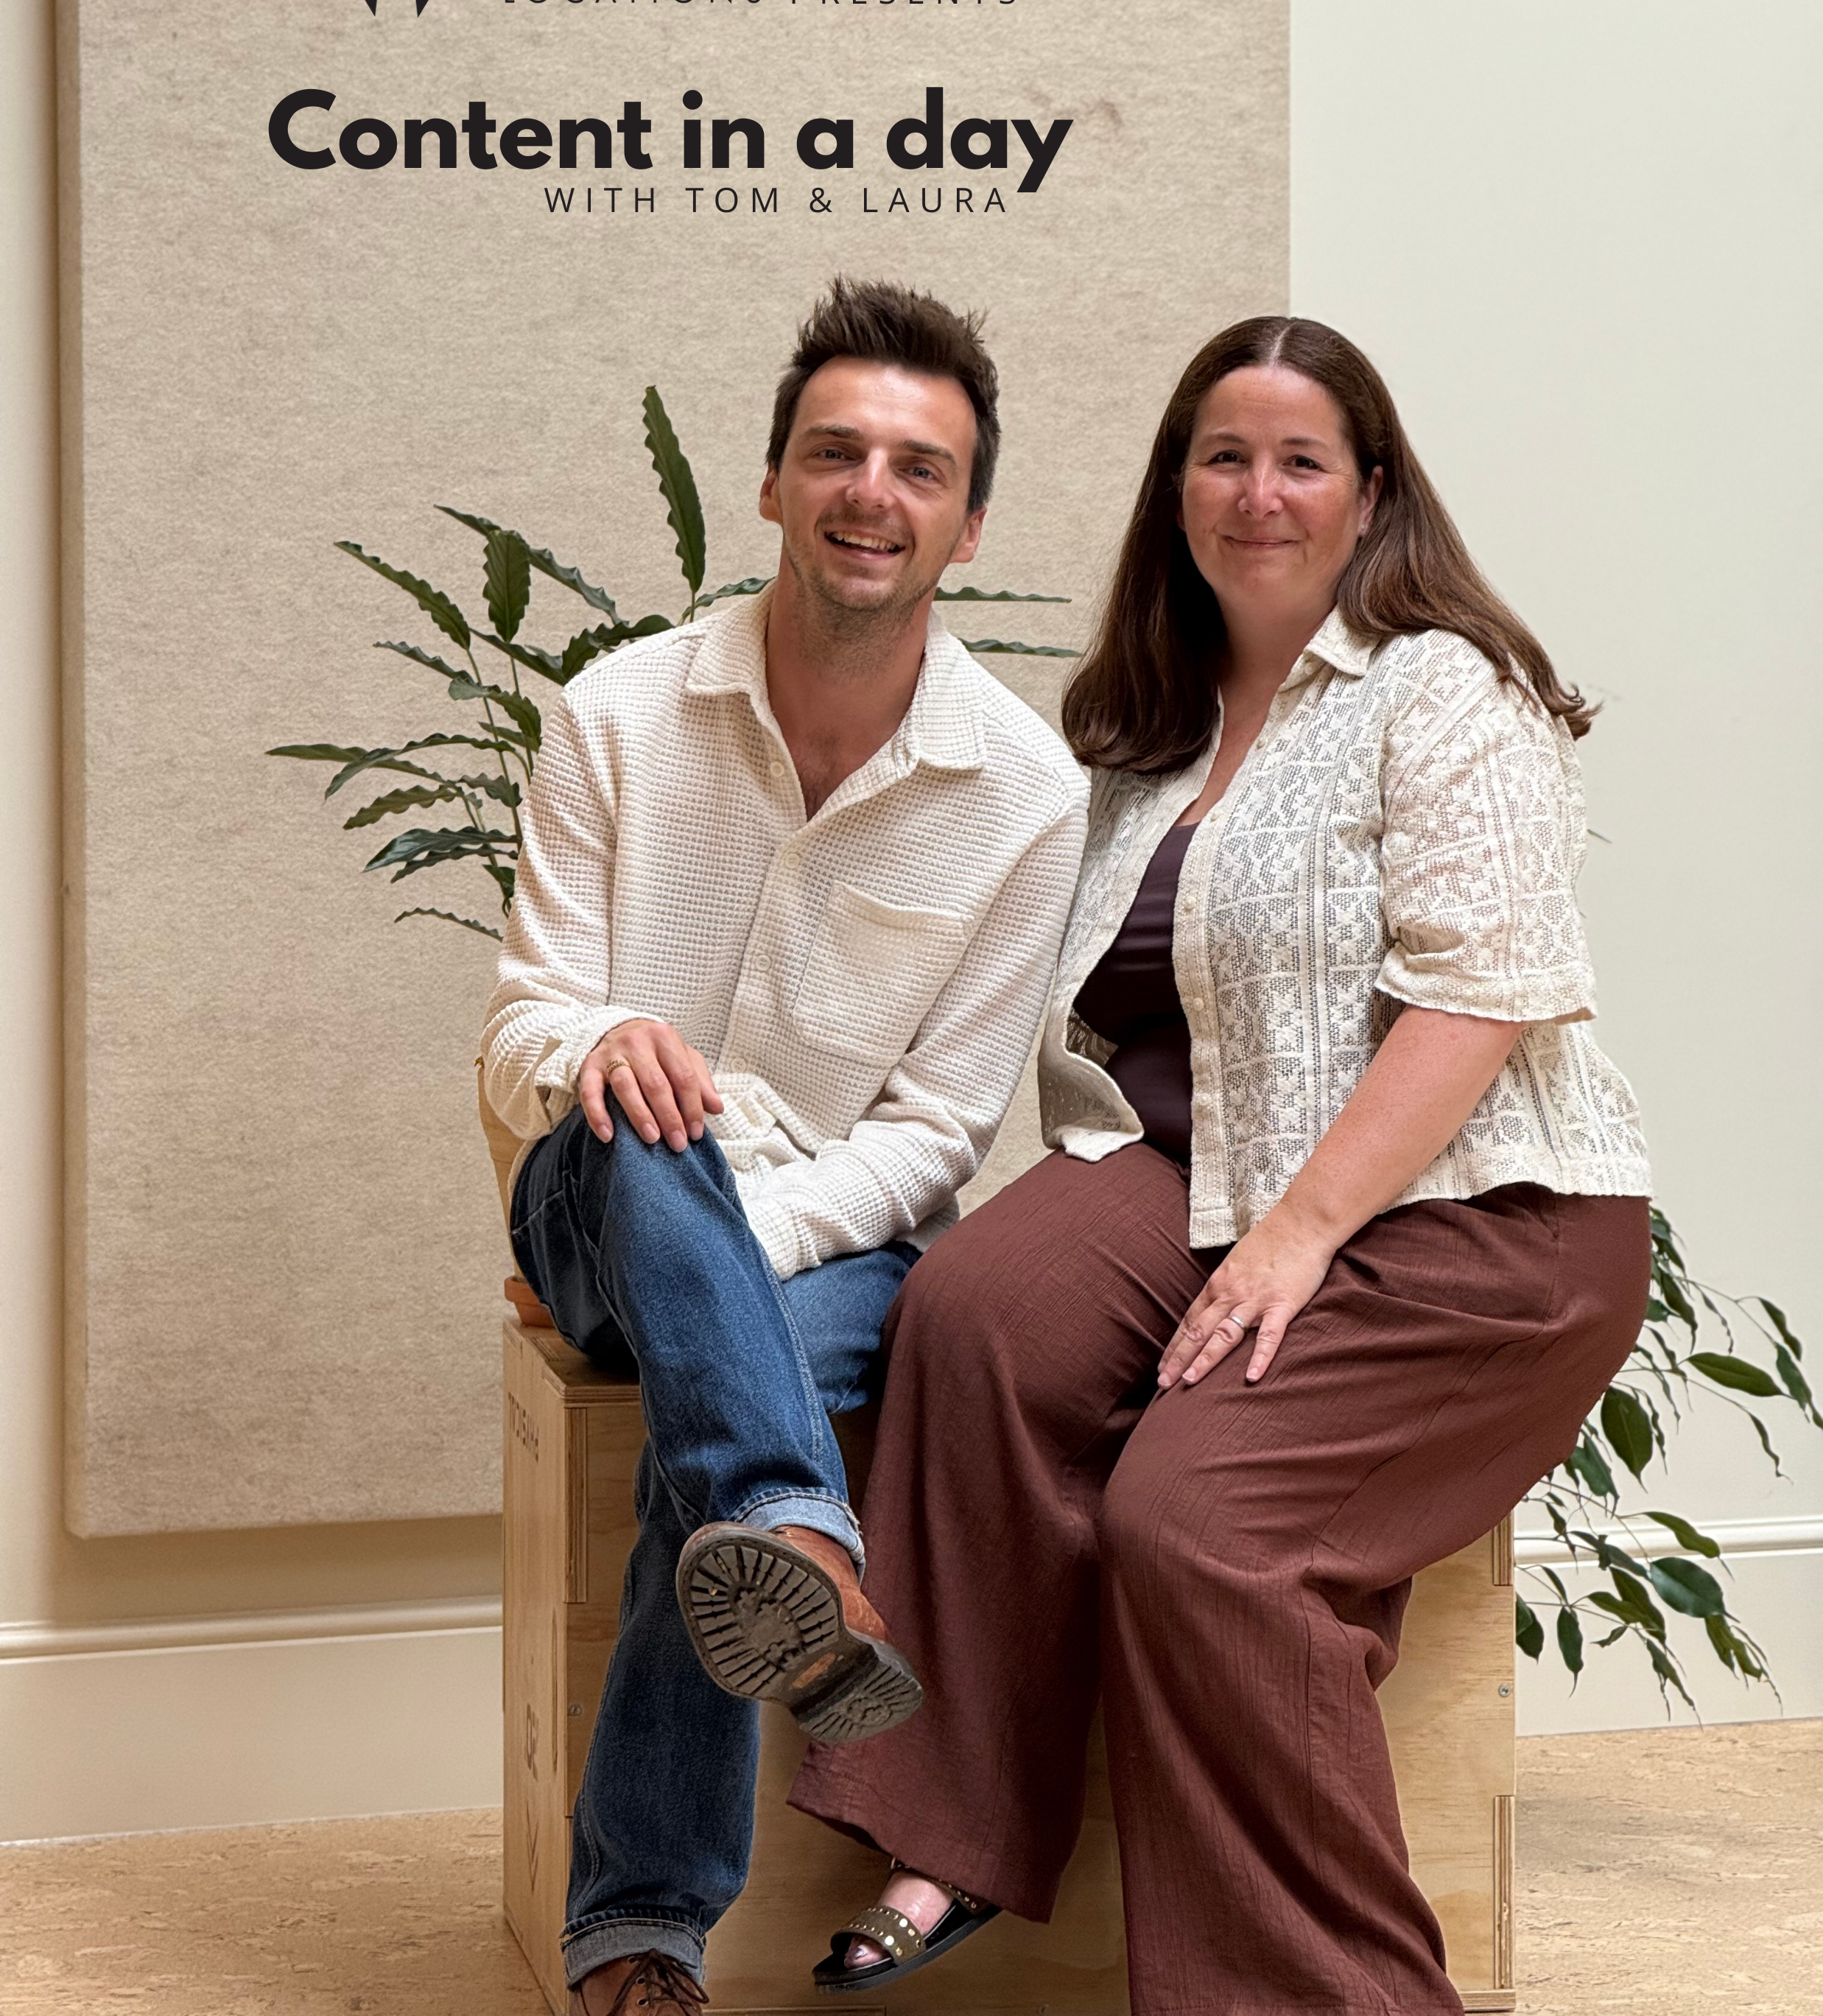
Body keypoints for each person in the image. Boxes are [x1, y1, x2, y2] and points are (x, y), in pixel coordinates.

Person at [790, 315, 1653, 2016]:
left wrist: (1294, 1242)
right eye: (1221, 455)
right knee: (972, 1308)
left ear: (1372, 493)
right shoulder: (1140, 737)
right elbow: (1103, 1030)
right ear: (1174, 488)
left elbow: (1476, 997)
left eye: (1300, 458)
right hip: (1202, 1176)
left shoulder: (1443, 688)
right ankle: (955, 1831)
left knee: (1195, 1531)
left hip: (1476, 1217)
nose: (1257, 492)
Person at [482, 278, 1087, 2016]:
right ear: (769, 485)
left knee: (723, 1434)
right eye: (834, 452)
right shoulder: (614, 715)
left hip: (826, 1254)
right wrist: (614, 1042)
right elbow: (530, 1026)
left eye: (915, 465)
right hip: (599, 1208)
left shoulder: (1025, 794)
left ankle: (643, 1932)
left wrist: (738, 1245)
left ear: (968, 523)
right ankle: (796, 1545)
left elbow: (932, 1135)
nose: (867, 492)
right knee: (644, 1104)